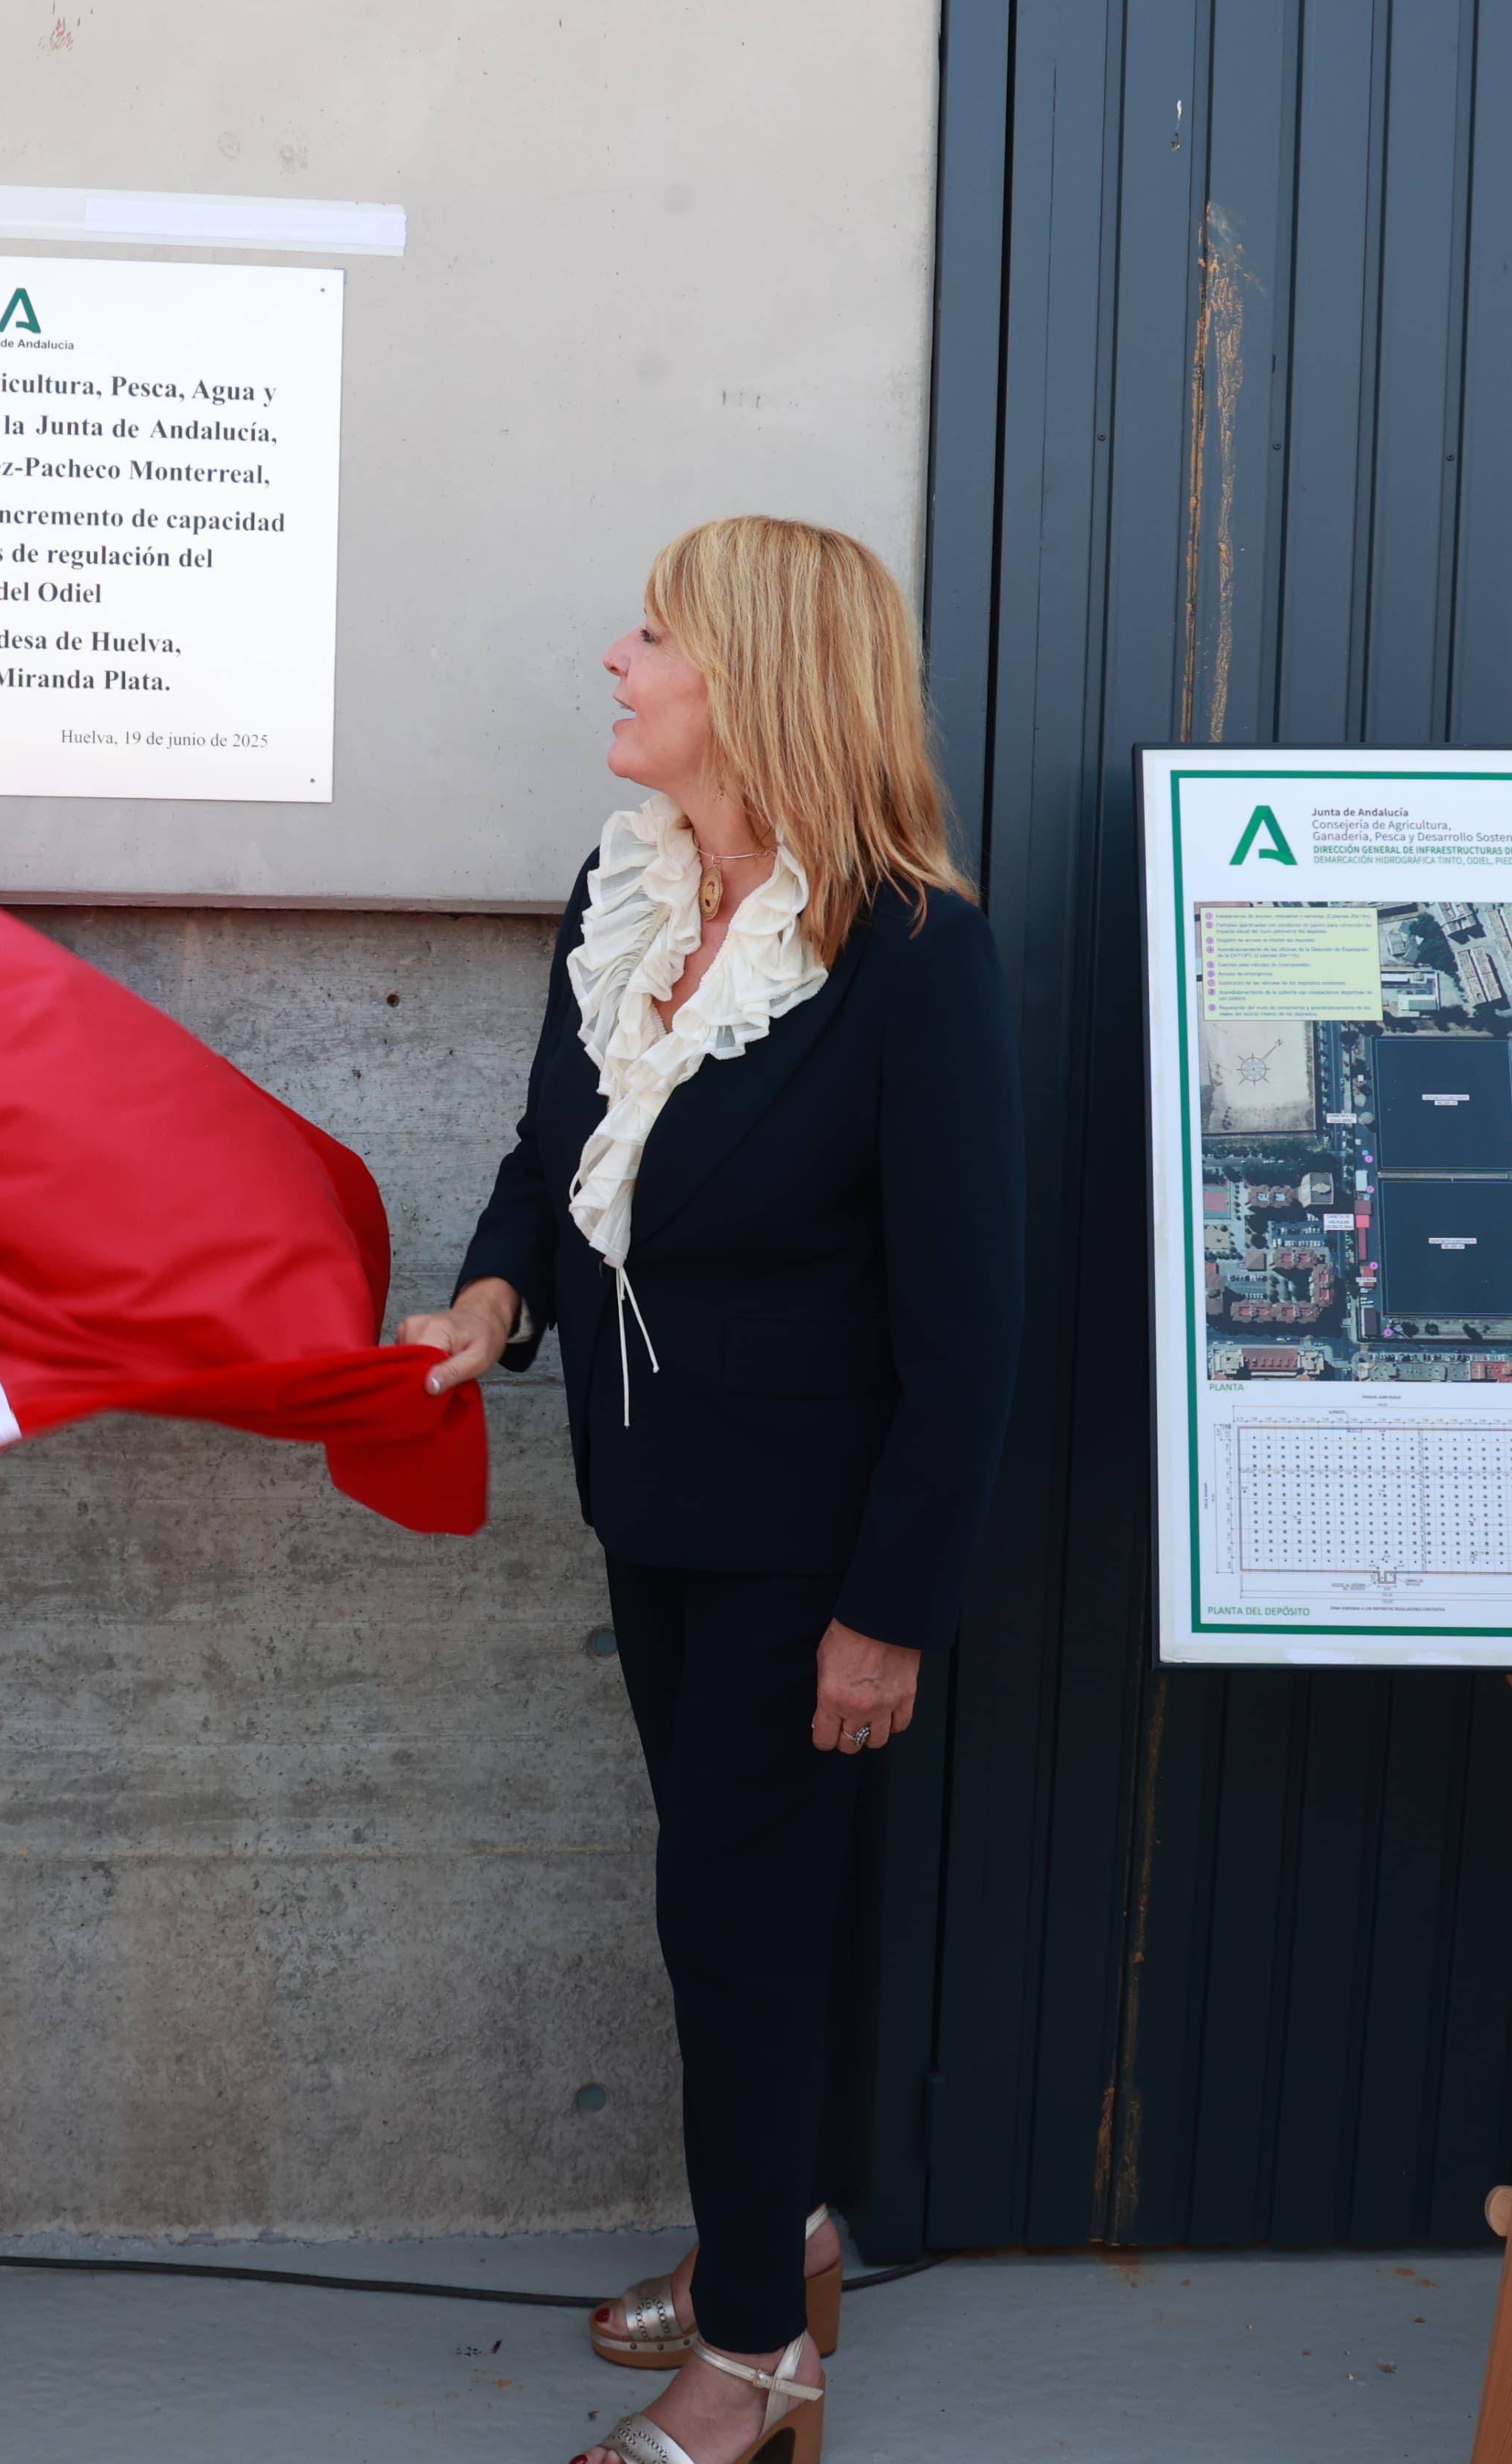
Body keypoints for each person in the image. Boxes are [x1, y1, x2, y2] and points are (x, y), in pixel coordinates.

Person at [398, 517, 1023, 2464]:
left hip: (808, 1551)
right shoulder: (633, 887)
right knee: (748, 1912)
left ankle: (756, 2352)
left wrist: (889, 1609)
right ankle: (791, 2228)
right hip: (652, 1505)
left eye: (655, 633)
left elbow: (973, 1320)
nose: (620, 657)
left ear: (749, 679)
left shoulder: (911, 951)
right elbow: (548, 1144)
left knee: (734, 1926)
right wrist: (500, 1293)